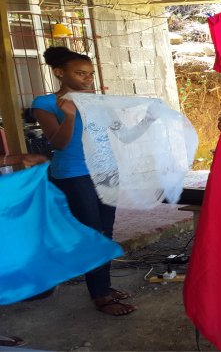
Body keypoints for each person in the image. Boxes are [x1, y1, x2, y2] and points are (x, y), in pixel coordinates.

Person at [31, 46, 136, 316]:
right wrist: (69, 115)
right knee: (92, 233)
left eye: (90, 74)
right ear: (59, 73)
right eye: (80, 73)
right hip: (74, 174)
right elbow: (60, 143)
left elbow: (121, 135)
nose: (88, 79)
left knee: (105, 231)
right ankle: (100, 295)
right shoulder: (44, 103)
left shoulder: (97, 101)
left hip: (105, 171)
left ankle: (103, 286)